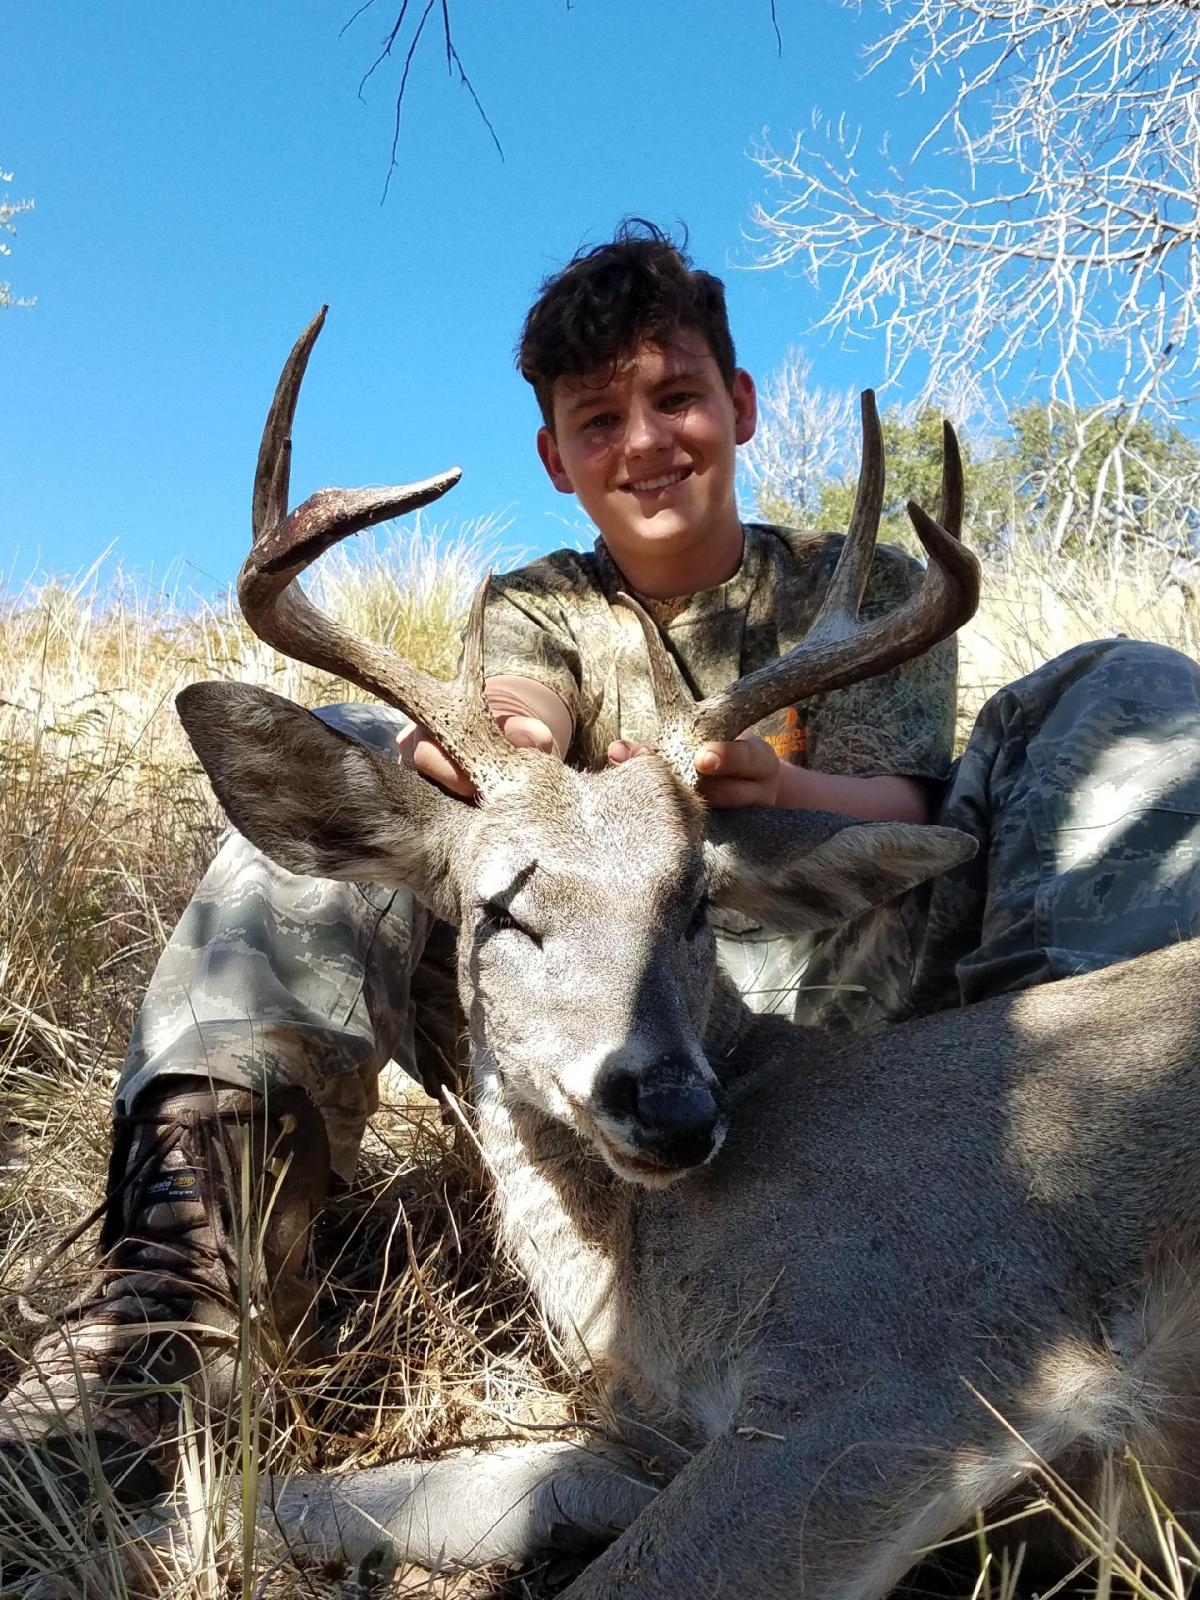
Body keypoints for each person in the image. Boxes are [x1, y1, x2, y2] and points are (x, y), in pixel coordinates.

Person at [5, 221, 1200, 1506]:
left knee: (1119, 683)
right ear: (556, 457)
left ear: (740, 406)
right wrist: (480, 745)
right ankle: (177, 1314)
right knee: (355, 759)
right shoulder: (542, 603)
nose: (645, 441)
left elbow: (910, 814)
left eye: (676, 397)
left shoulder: (852, 591)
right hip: (579, 999)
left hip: (853, 999)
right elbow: (518, 709)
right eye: (598, 418)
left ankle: (1114, 1163)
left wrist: (776, 789)